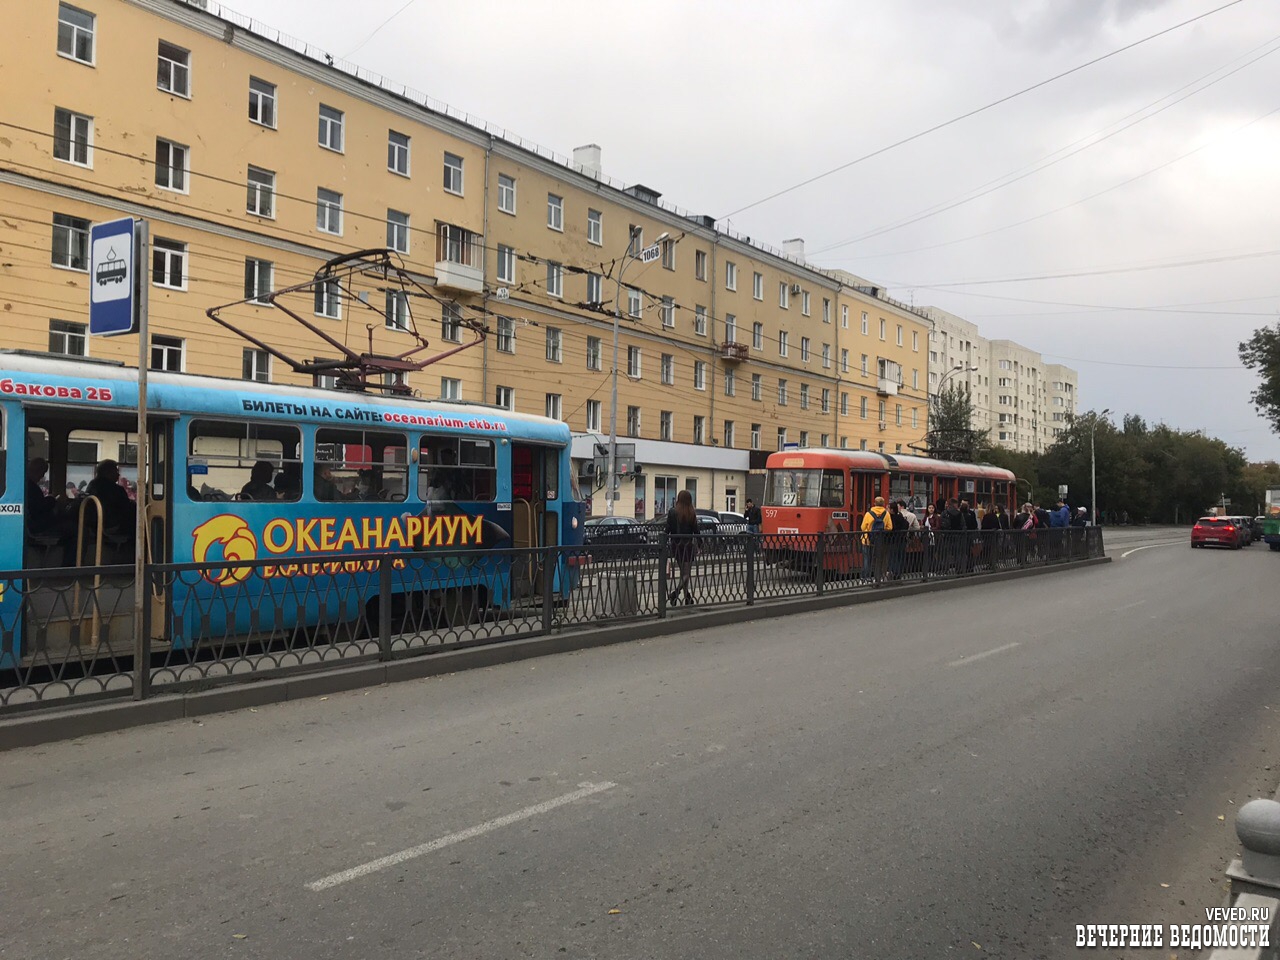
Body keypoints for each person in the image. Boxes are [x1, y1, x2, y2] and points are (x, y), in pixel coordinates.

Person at [665, 489, 700, 605]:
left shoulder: (672, 512)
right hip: (688, 546)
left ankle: (687, 598)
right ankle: (675, 594)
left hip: (676, 546)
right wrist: (700, 544)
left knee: (683, 573)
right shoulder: (691, 512)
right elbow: (696, 531)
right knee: (686, 574)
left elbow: (667, 530)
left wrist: (663, 541)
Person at [85, 459, 135, 539]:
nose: (118, 474)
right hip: (110, 524)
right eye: (116, 471)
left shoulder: (92, 485)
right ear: (107, 472)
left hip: (93, 523)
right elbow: (126, 508)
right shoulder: (116, 489)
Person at [860, 496, 893, 583]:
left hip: (867, 539)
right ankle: (877, 577)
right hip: (879, 540)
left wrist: (869, 531)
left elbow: (863, 527)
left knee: (866, 559)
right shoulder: (886, 514)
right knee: (878, 558)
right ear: (883, 504)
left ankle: (865, 578)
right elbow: (890, 527)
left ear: (874, 503)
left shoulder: (868, 514)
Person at [25, 457, 57, 536]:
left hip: (35, 523)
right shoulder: (31, 487)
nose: (42, 476)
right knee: (73, 530)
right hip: (38, 525)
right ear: (37, 471)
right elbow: (38, 508)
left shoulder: (28, 485)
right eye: (42, 473)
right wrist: (51, 500)